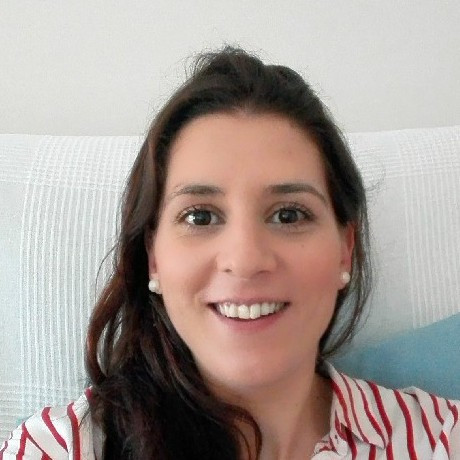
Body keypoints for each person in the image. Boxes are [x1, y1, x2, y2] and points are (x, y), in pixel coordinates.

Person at [1, 46, 459, 460]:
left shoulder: (443, 439)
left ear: (345, 250)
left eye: (289, 215)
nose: (245, 259)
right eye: (200, 216)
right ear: (153, 257)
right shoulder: (60, 449)